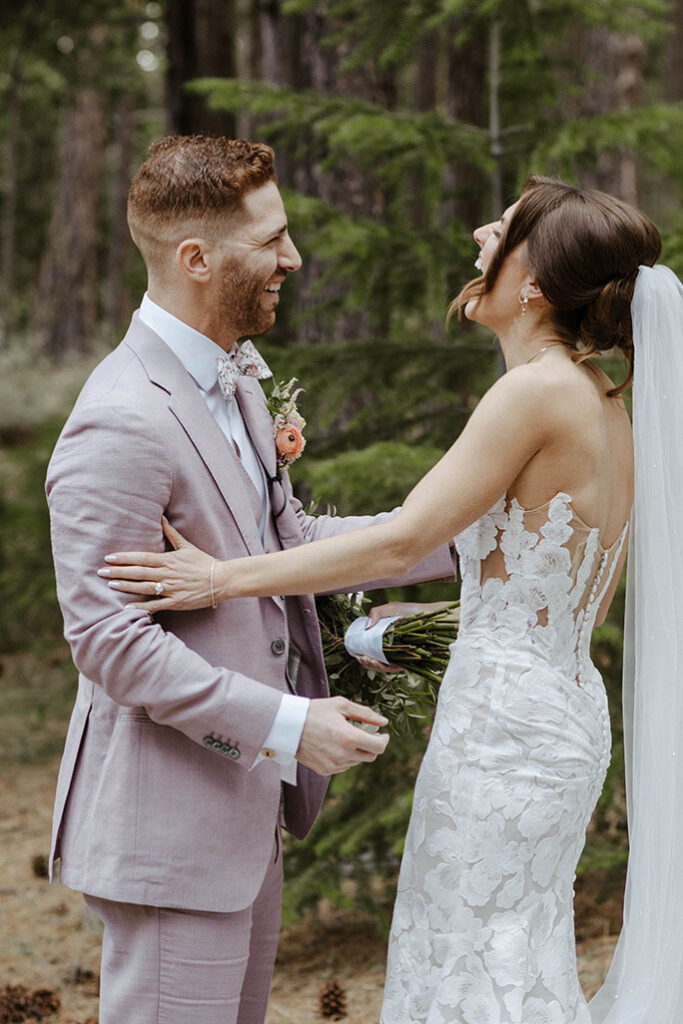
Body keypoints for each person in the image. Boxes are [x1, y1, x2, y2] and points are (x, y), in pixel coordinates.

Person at [102, 175, 683, 1023]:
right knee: (513, 947)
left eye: (507, 228)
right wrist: (400, 634)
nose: (483, 231)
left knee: (468, 959)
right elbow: (562, 605)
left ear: (532, 283)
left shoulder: (532, 392)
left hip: (502, 734)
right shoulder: (603, 401)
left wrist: (220, 577)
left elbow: (408, 540)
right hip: (558, 712)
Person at [45, 134, 456, 1024]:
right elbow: (109, 641)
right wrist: (287, 723)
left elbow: (287, 539)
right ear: (196, 259)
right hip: (171, 826)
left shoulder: (228, 384)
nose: (292, 259)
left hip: (239, 815)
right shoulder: (119, 423)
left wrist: (459, 535)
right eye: (270, 240)